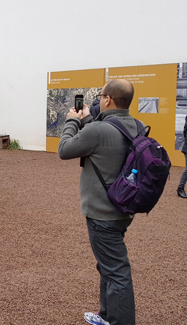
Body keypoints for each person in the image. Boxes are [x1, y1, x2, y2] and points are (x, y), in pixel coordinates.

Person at [58, 79, 140, 325]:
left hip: (102, 212)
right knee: (108, 266)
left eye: (101, 94)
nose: (99, 98)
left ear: (107, 99)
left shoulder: (97, 131)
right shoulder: (137, 125)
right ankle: (106, 315)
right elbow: (107, 136)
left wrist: (72, 120)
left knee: (116, 271)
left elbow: (64, 150)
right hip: (124, 206)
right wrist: (86, 120)